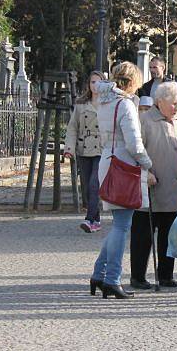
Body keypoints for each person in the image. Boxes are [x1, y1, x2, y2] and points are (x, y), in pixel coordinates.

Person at [90, 62, 153, 300]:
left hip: (108, 159)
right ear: (131, 82)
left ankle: (100, 273)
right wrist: (147, 163)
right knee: (122, 225)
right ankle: (111, 278)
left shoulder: (104, 101)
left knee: (119, 223)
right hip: (124, 164)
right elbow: (134, 143)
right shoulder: (124, 104)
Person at [129, 82, 177, 290]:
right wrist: (146, 174)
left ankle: (166, 275)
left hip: (173, 190)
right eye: (173, 103)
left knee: (169, 236)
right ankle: (137, 276)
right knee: (143, 236)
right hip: (150, 188)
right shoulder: (145, 120)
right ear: (160, 101)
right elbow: (135, 152)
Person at [65, 71, 104, 234]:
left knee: (95, 184)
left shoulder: (109, 103)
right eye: (92, 82)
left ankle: (89, 219)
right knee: (87, 187)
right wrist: (69, 148)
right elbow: (73, 127)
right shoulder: (81, 104)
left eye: (98, 82)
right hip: (84, 148)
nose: (94, 85)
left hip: (102, 149)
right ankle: (96, 219)